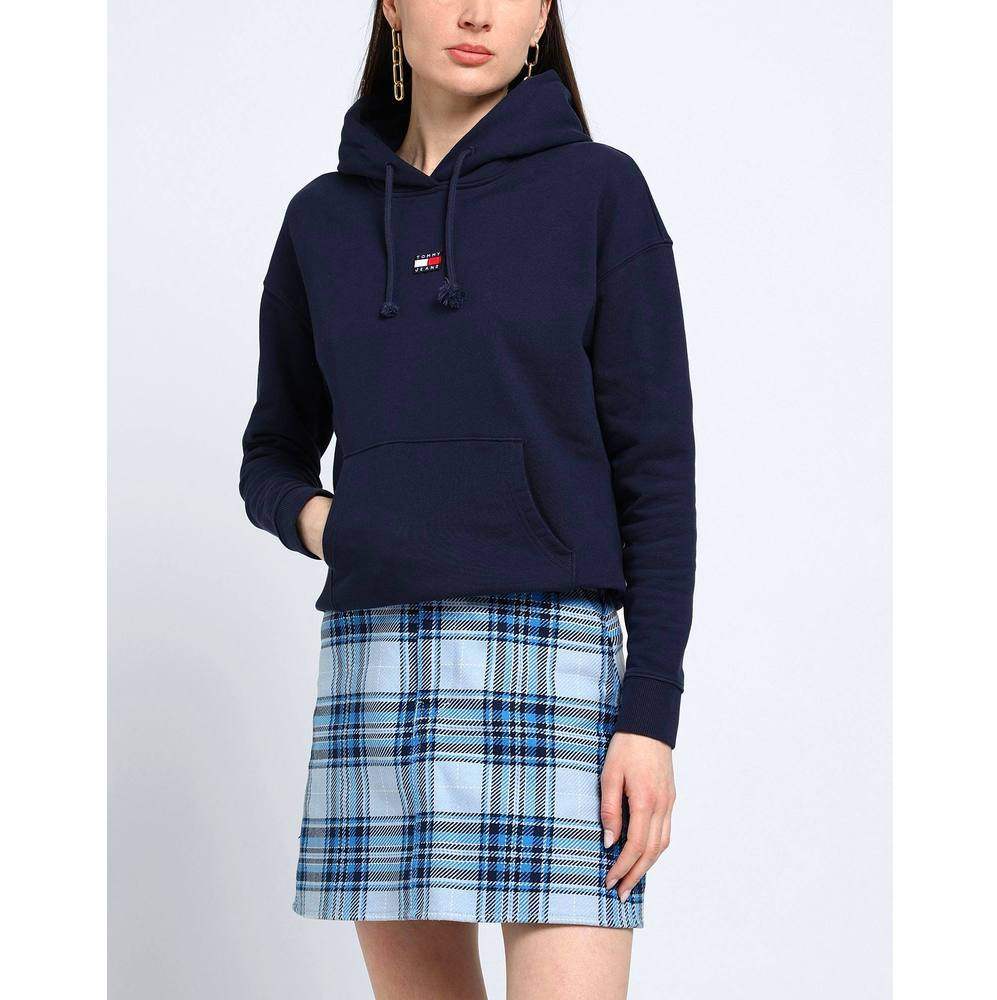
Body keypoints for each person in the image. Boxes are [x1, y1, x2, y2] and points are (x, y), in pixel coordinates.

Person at [238, 2, 696, 996]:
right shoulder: (323, 220)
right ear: (392, 6)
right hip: (379, 662)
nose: (477, 11)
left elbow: (657, 472)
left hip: (556, 663)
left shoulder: (600, 193)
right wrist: (329, 525)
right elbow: (271, 451)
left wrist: (651, 715)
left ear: (543, 15)